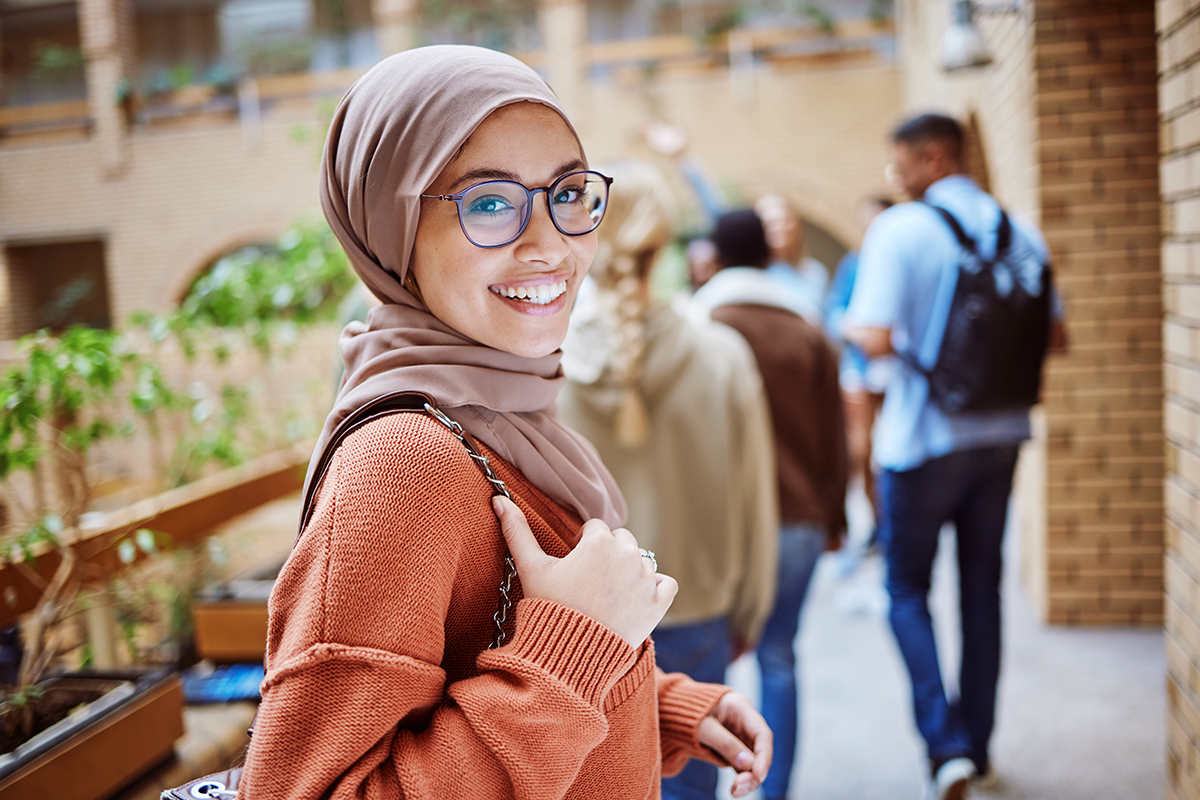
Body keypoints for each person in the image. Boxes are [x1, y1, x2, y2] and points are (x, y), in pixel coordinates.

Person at [239, 46, 772, 800]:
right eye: (488, 201)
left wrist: (666, 708)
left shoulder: (503, 414)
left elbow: (485, 662)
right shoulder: (401, 464)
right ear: (393, 225)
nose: (551, 243)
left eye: (568, 192)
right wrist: (573, 651)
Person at [843, 113, 1066, 800]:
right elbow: (1056, 339)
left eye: (898, 164)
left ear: (933, 157)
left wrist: (852, 326)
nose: (895, 177)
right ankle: (979, 742)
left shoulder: (902, 230)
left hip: (923, 442)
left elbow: (874, 336)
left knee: (907, 591)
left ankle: (945, 752)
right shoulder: (1020, 231)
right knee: (981, 591)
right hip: (1001, 439)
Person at [558, 162, 780, 800]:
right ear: (671, 246)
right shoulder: (723, 356)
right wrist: (752, 604)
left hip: (579, 630)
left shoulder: (540, 370)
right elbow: (753, 495)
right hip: (702, 609)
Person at [691, 210, 849, 800]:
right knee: (779, 656)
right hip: (800, 521)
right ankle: (772, 789)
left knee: (706, 668)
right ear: (768, 255)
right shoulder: (807, 327)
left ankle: (705, 785)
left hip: (719, 528)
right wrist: (836, 518)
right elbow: (838, 435)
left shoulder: (699, 323)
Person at [824, 197, 894, 538]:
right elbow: (834, 311)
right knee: (860, 450)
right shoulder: (854, 264)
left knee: (892, 449)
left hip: (896, 374)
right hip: (860, 368)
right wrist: (854, 328)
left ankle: (894, 523)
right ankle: (877, 524)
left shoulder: (900, 262)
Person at [754, 193, 828, 317]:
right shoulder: (753, 274)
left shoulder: (816, 273)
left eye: (784, 221)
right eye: (769, 223)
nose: (778, 228)